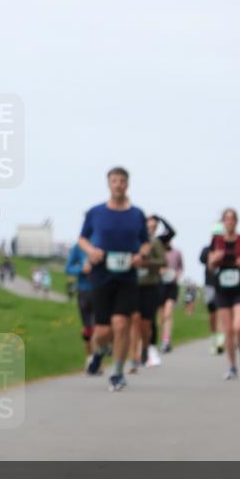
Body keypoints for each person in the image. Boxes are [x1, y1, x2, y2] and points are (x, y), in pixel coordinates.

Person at [78, 167, 150, 391]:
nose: (118, 184)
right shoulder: (96, 212)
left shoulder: (137, 214)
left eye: (122, 181)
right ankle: (100, 351)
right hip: (102, 274)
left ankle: (117, 372)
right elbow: (82, 238)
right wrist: (90, 251)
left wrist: (141, 255)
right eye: (114, 181)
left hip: (127, 274)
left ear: (127, 184)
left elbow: (145, 242)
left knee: (121, 324)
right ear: (109, 184)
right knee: (102, 332)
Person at [206, 208, 240, 380]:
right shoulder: (216, 241)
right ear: (223, 222)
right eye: (226, 219)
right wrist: (213, 260)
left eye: (231, 218)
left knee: (239, 326)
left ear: (236, 221)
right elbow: (210, 266)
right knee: (228, 330)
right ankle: (232, 366)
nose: (229, 221)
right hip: (223, 289)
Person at [131, 215, 166, 371]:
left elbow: (163, 262)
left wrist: (146, 263)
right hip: (133, 286)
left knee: (146, 323)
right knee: (134, 320)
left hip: (150, 286)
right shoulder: (131, 240)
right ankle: (133, 357)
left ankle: (145, 346)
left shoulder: (155, 242)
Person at [65, 242, 96, 371]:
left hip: (101, 290)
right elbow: (68, 268)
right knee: (88, 328)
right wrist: (81, 269)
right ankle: (89, 358)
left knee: (99, 326)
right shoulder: (78, 247)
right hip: (84, 290)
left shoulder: (103, 242)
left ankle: (96, 359)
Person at [199, 223, 226, 355]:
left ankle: (222, 338)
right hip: (210, 285)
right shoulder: (207, 249)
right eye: (215, 235)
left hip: (223, 285)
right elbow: (202, 259)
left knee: (222, 311)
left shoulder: (227, 249)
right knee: (212, 314)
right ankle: (214, 336)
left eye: (219, 235)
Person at [157, 217, 182, 353]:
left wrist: (177, 274)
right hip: (160, 284)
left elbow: (180, 267)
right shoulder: (157, 249)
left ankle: (167, 340)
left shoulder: (176, 252)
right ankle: (163, 339)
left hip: (172, 285)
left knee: (168, 313)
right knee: (161, 316)